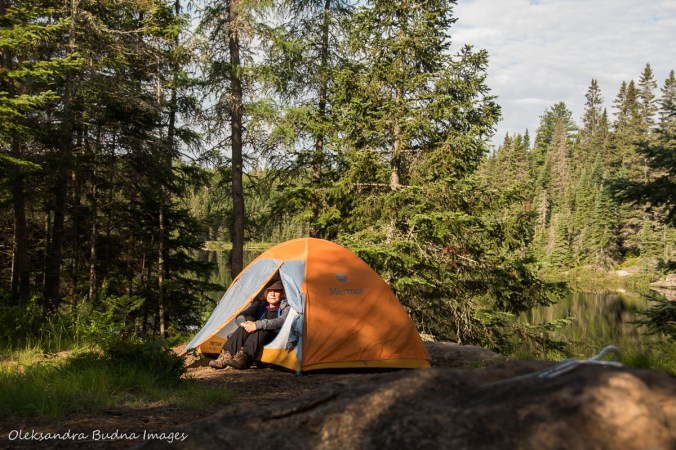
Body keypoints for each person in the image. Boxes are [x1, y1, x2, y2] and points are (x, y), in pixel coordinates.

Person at [209, 280, 290, 370]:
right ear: (265, 293)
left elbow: (281, 321)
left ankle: (244, 358)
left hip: (274, 337)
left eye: (276, 291)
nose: (272, 294)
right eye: (269, 291)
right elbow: (241, 316)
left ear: (282, 293)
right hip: (255, 338)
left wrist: (257, 325)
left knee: (261, 328)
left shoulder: (285, 306)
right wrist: (243, 323)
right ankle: (225, 356)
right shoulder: (260, 305)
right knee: (248, 320)